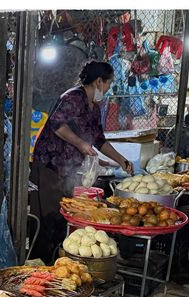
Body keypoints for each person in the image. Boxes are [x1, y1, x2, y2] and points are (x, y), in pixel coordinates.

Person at [29, 61, 134, 264]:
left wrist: (121, 160)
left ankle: (58, 261)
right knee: (47, 219)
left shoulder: (94, 107)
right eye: (109, 83)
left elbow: (99, 140)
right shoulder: (72, 98)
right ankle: (39, 264)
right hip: (49, 166)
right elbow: (57, 124)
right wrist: (81, 144)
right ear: (99, 81)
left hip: (68, 171)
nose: (109, 88)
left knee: (64, 215)